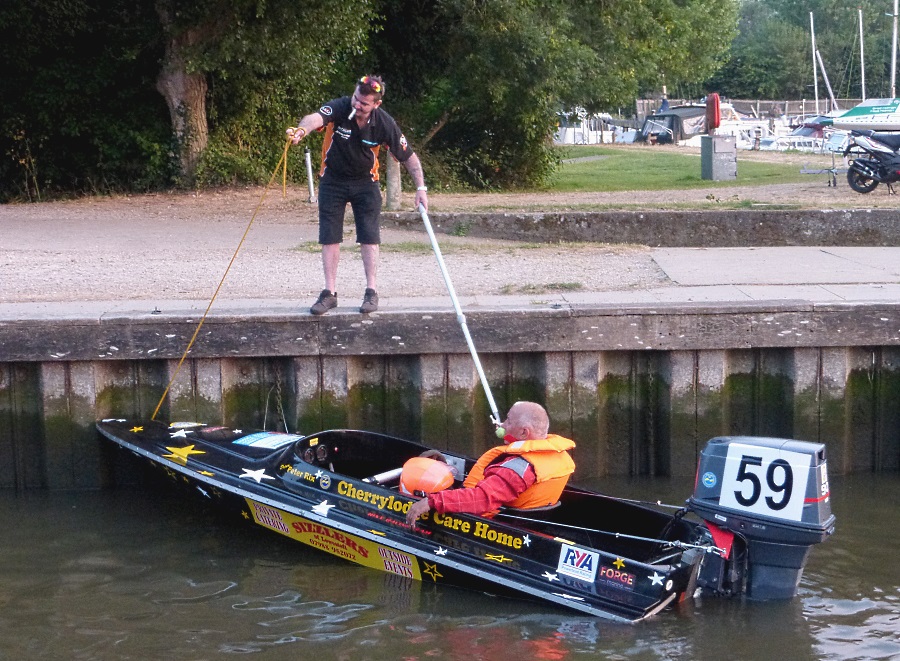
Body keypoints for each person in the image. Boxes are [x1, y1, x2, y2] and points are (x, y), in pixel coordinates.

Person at [288, 75, 428, 315]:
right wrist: (302, 130)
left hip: (366, 183)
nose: (357, 105)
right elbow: (316, 118)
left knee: (369, 236)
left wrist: (421, 189)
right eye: (356, 99)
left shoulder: (384, 123)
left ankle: (371, 292)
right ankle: (329, 293)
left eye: (363, 103)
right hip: (333, 179)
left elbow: (409, 157)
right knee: (329, 236)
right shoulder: (342, 106)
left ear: (376, 104)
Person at [405, 401, 576, 525]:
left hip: (498, 528)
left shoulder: (518, 468)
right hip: (534, 524)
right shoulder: (557, 455)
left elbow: (481, 499)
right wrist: (511, 438)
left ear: (524, 432)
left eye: (508, 421)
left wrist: (430, 501)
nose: (503, 424)